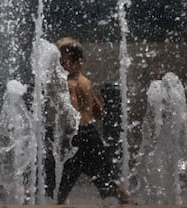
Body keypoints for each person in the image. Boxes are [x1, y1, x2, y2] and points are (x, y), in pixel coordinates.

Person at [51, 36, 132, 205]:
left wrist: (65, 129)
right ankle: (123, 197)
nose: (59, 66)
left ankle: (54, 198)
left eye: (61, 62)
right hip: (91, 133)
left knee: (63, 177)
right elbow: (99, 111)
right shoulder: (85, 81)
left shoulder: (69, 84)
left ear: (71, 62)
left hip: (78, 134)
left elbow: (70, 112)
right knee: (104, 174)